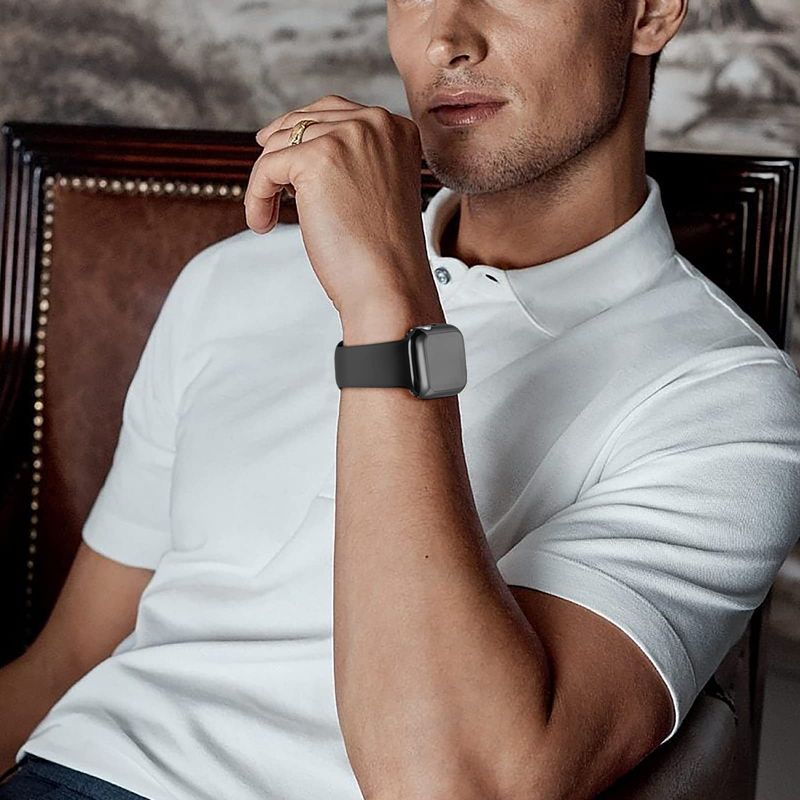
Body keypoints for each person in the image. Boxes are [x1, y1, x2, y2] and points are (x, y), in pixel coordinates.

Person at [3, 1, 800, 798]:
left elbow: (450, 784)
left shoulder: (724, 398)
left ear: (649, 13)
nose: (446, 38)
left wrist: (387, 306)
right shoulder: (232, 278)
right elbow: (68, 659)